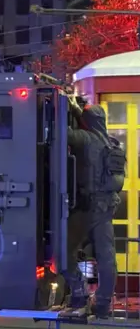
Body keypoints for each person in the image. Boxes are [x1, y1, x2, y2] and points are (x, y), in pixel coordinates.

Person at [59, 94, 126, 320]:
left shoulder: (86, 139)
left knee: (64, 252)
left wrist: (64, 107)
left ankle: (79, 293)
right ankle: (103, 304)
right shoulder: (111, 142)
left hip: (85, 209)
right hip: (106, 208)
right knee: (107, 257)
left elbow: (61, 133)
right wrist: (79, 111)